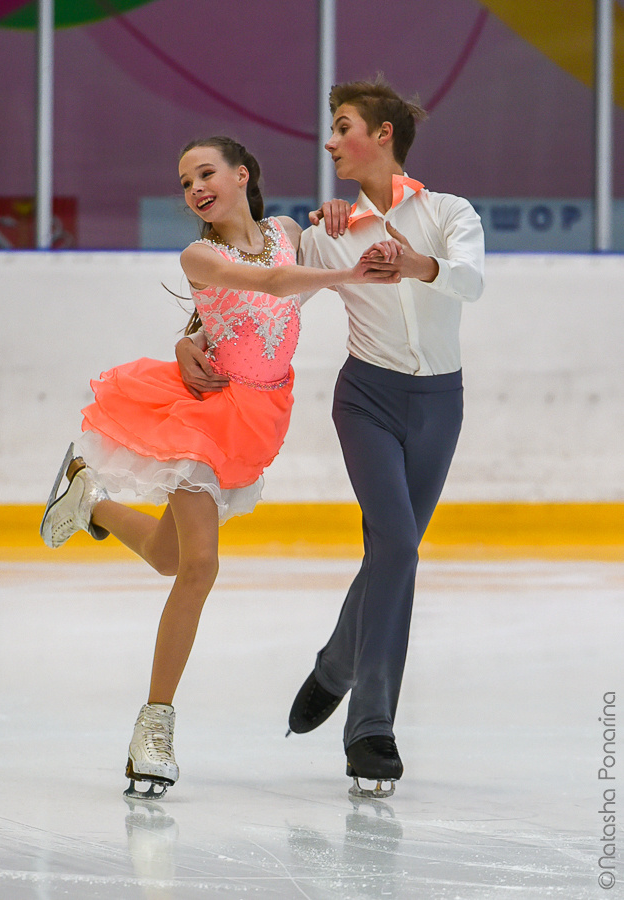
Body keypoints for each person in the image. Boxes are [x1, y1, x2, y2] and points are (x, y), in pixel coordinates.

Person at [39, 135, 398, 799]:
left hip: (259, 418)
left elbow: (277, 298)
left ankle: (89, 500)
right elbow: (269, 285)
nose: (195, 188)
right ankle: (153, 730)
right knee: (200, 567)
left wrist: (339, 217)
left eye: (205, 173)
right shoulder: (199, 255)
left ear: (242, 175)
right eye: (185, 182)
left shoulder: (288, 232)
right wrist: (348, 275)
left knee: (169, 557)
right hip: (201, 414)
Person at [175, 80, 485, 798]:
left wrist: (416, 264)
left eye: (342, 126)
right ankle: (371, 729)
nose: (329, 140)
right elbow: (253, 301)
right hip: (367, 401)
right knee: (398, 546)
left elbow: (470, 283)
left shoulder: (448, 213)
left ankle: (337, 664)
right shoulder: (326, 232)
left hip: (441, 405)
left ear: (381, 135)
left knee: (392, 552)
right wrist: (188, 339)